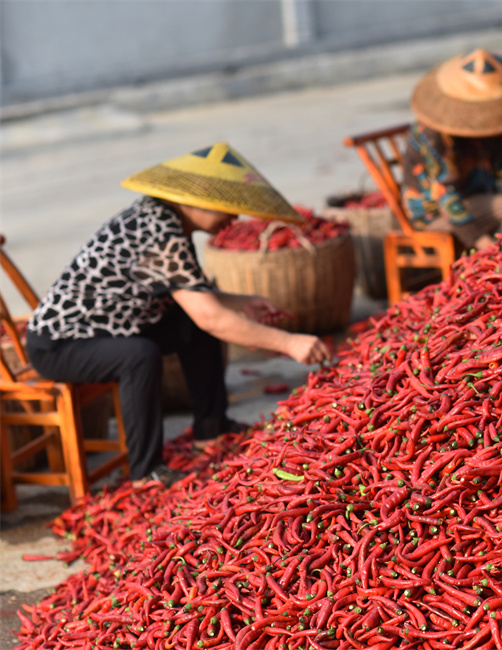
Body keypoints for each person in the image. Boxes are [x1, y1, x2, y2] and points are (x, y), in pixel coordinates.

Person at [25, 142, 332, 488]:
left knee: (190, 327)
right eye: (228, 208)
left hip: (117, 326)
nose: (235, 219)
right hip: (61, 345)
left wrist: (241, 301)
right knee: (139, 355)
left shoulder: (165, 219)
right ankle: (145, 471)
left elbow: (194, 296)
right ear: (195, 201)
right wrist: (289, 343)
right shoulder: (160, 231)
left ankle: (210, 428)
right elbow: (210, 316)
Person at [402, 48, 502, 251]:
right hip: (437, 211)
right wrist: (485, 248)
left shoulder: (493, 117)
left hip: (484, 185)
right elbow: (448, 199)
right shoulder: (435, 135)